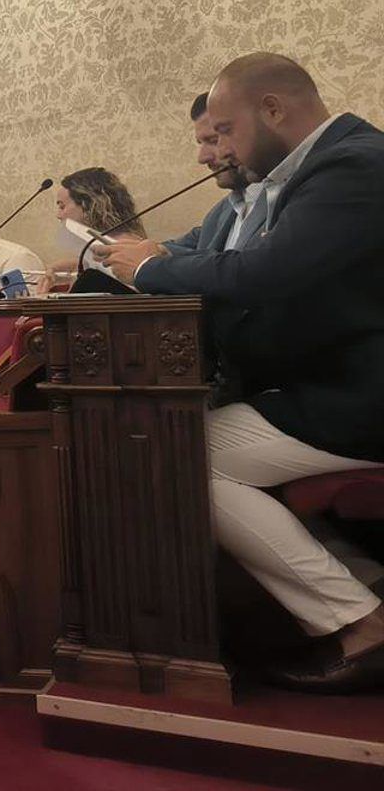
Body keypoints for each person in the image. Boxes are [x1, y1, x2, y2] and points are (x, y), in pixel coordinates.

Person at [97, 53, 384, 691]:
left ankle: (361, 620)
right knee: (189, 441)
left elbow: (266, 272)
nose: (219, 148)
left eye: (225, 130)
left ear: (272, 110)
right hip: (331, 386)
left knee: (183, 453)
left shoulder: (354, 166)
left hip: (360, 394)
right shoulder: (314, 169)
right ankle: (365, 588)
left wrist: (150, 268)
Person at [164, 91, 266, 255]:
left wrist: (148, 263)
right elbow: (187, 246)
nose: (202, 158)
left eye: (214, 141)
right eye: (200, 143)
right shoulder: (220, 211)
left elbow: (244, 266)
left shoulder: (289, 201)